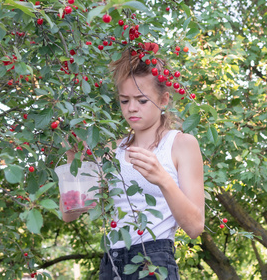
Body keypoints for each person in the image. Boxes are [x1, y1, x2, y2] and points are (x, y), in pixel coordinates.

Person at [60, 43, 205, 279]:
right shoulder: (111, 150)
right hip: (112, 263)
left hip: (154, 261)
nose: (132, 108)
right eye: (125, 101)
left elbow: (195, 227)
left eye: (142, 100)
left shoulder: (181, 144)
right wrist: (73, 158)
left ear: (164, 99)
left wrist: (163, 179)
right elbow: (71, 212)